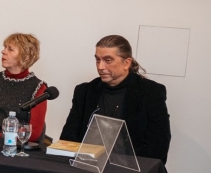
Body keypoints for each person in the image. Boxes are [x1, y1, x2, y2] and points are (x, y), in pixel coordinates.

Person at [60, 35, 171, 163]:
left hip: (132, 169)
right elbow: (68, 139)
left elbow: (158, 146)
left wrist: (117, 162)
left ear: (126, 63)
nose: (100, 67)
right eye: (97, 60)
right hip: (87, 166)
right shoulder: (85, 91)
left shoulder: (150, 92)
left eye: (108, 60)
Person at [0, 33, 47, 142]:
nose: (3, 51)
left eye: (10, 49)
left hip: (13, 144)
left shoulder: (38, 88)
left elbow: (34, 133)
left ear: (26, 57)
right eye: (5, 47)